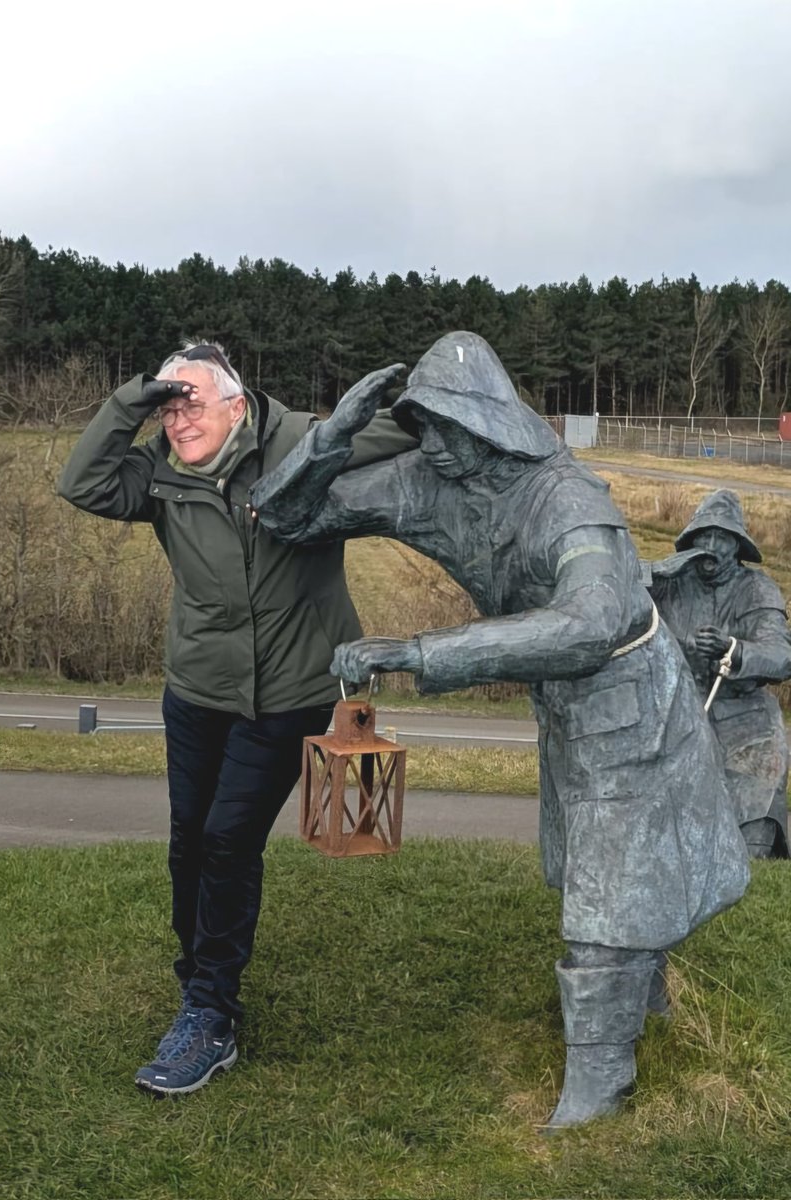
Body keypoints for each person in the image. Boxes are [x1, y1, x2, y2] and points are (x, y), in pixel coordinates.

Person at [251, 331, 750, 1128]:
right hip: (565, 706)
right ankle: (640, 1001)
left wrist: (419, 653)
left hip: (629, 700)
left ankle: (601, 1076)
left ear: (489, 422)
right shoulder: (427, 479)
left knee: (605, 893)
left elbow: (592, 621)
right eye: (425, 426)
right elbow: (285, 517)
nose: (436, 444)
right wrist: (333, 435)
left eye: (450, 425)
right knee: (589, 868)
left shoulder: (566, 499)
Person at [58, 342, 414, 1095]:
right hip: (197, 689)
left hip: (288, 690)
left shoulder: (301, 443)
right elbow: (80, 481)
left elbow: (407, 433)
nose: (178, 417)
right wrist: (135, 400)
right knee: (190, 836)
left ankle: (211, 1013)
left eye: (190, 400)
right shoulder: (158, 470)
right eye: (167, 404)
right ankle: (199, 981)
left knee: (227, 838)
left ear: (238, 404)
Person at [646, 489, 791, 858]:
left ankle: (752, 853)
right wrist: (656, 573)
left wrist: (733, 649)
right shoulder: (670, 581)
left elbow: (780, 655)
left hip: (743, 712)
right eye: (703, 536)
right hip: (677, 703)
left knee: (759, 769)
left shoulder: (757, 589)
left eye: (721, 537)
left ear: (737, 545)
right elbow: (619, 596)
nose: (710, 545)